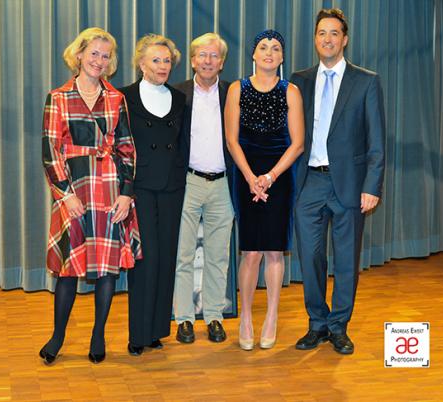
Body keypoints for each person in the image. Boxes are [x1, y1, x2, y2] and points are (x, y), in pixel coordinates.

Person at [40, 27, 141, 365]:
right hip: (74, 189)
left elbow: (127, 149)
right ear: (79, 54)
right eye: (94, 53)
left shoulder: (116, 98)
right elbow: (50, 151)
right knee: (69, 268)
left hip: (111, 188)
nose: (100, 60)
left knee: (108, 269)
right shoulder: (58, 97)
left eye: (106, 55)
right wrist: (65, 195)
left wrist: (127, 195)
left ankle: (98, 336)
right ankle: (57, 336)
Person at [290, 8, 385, 355]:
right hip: (309, 184)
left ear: (344, 39)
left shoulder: (366, 81)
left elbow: (377, 140)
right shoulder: (299, 80)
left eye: (334, 33)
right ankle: (317, 323)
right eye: (321, 33)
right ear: (314, 40)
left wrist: (372, 185)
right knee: (311, 256)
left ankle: (339, 326)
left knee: (346, 260)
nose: (327, 39)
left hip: (350, 184)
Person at [225, 30, 304, 350]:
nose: (269, 52)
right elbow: (231, 139)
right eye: (262, 47)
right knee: (251, 251)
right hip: (245, 175)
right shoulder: (236, 89)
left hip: (279, 176)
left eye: (275, 48)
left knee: (273, 250)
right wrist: (250, 177)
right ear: (253, 55)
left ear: (282, 58)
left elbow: (298, 143)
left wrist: (269, 177)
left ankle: (271, 316)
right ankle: (245, 318)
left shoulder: (291, 91)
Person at [119, 34, 186, 356]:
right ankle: (138, 334)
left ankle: (158, 330)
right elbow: (119, 147)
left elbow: (183, 146)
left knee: (166, 259)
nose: (163, 66)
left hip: (172, 189)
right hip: (140, 188)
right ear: (141, 63)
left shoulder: (179, 98)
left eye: (168, 61)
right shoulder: (124, 97)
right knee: (145, 261)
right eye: (156, 60)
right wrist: (125, 189)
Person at [173, 33, 234, 344]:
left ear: (221, 62)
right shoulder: (177, 93)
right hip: (187, 182)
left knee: (217, 256)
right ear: (193, 59)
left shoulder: (234, 94)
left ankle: (213, 316)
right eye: (202, 55)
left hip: (223, 184)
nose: (208, 61)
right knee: (182, 255)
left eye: (214, 56)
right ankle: (184, 318)